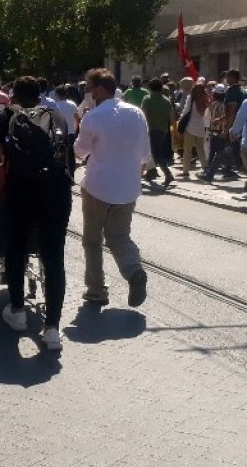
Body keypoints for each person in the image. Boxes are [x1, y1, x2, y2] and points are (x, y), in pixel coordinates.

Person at [0, 76, 71, 350]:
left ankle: (17, 311)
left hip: (21, 191)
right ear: (40, 95)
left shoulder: (4, 119)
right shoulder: (57, 117)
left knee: (16, 249)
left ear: (13, 96)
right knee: (54, 257)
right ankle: (52, 328)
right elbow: (66, 156)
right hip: (55, 191)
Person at [74, 68, 150, 313]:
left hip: (99, 186)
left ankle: (97, 290)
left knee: (92, 240)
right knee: (119, 236)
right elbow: (144, 154)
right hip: (129, 186)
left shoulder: (93, 117)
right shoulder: (137, 113)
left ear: (100, 89)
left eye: (89, 87)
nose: (87, 91)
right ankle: (134, 271)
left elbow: (79, 152)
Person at [140, 79, 176, 186]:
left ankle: (167, 174)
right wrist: (175, 132)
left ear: (150, 88)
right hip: (163, 131)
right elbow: (172, 117)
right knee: (155, 151)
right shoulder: (166, 100)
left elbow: (143, 115)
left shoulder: (147, 99)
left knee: (156, 153)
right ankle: (151, 172)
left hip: (150, 130)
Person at [220, 70, 246, 180]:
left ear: (232, 78)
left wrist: (227, 128)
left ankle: (229, 170)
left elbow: (232, 110)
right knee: (235, 148)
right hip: (241, 124)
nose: (226, 79)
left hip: (233, 124)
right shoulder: (242, 90)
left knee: (229, 147)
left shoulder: (232, 91)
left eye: (227, 77)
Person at [179, 83, 208, 179]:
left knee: (187, 150)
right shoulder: (205, 99)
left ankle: (186, 171)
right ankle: (205, 167)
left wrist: (180, 121)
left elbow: (185, 111)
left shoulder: (191, 98)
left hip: (190, 127)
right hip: (201, 128)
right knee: (201, 149)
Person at [201, 84, 229, 182]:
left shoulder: (214, 104)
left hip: (215, 131)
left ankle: (209, 172)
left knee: (215, 152)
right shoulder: (224, 105)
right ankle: (213, 171)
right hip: (220, 130)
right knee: (218, 151)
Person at [53, 85, 81, 173]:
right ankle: (72, 174)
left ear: (56, 94)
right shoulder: (72, 104)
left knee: (60, 155)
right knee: (71, 155)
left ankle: (62, 173)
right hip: (71, 132)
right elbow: (77, 118)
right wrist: (75, 129)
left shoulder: (55, 106)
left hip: (59, 133)